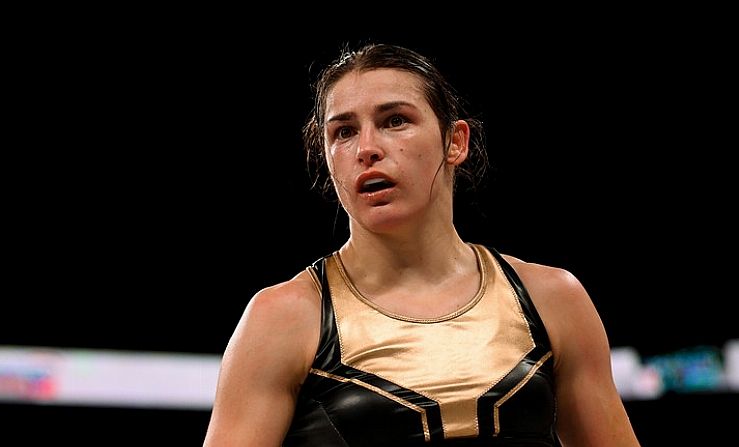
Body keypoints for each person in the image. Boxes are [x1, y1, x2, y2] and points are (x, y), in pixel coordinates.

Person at [203, 43, 641, 447]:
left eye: (395, 121)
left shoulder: (553, 298)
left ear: (456, 142)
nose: (367, 148)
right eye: (343, 132)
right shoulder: (281, 319)